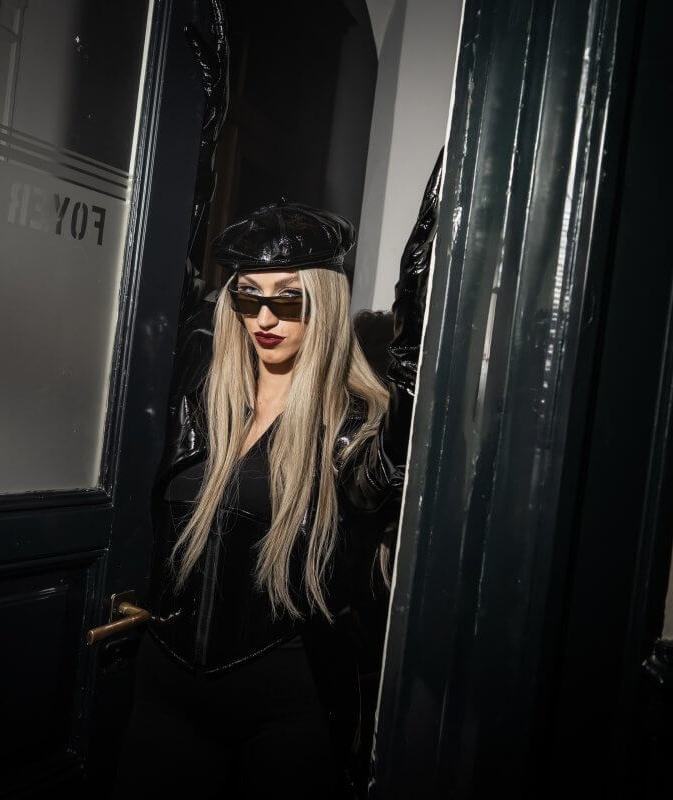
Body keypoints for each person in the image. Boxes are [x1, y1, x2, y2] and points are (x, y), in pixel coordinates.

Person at [112, 4, 442, 797]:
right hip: (167, 682)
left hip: (287, 699)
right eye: (248, 297)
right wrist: (205, 107)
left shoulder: (359, 426)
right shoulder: (204, 393)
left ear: (321, 305)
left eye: (287, 299)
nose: (264, 317)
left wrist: (447, 196)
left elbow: (420, 336)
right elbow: (173, 246)